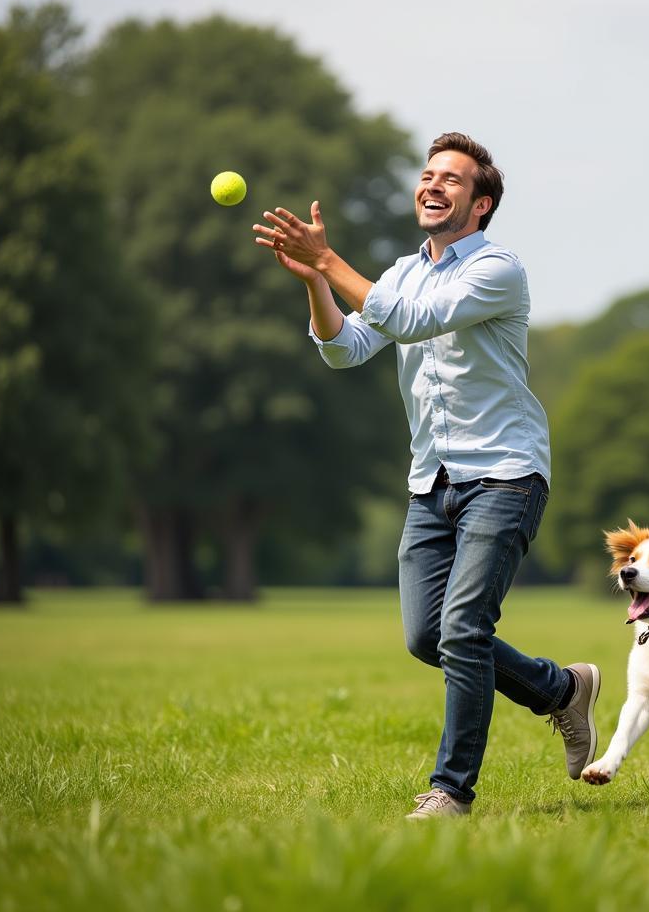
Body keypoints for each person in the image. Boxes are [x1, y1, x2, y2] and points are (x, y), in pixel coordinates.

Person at [254, 132, 600, 819]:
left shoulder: (498, 269)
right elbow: (347, 349)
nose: (433, 184)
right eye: (428, 173)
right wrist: (319, 283)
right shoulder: (401, 273)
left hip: (505, 474)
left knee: (464, 627)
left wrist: (328, 254)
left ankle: (450, 792)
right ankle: (561, 691)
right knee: (427, 637)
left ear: (481, 204)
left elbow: (411, 323)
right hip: (431, 483)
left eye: (452, 179)